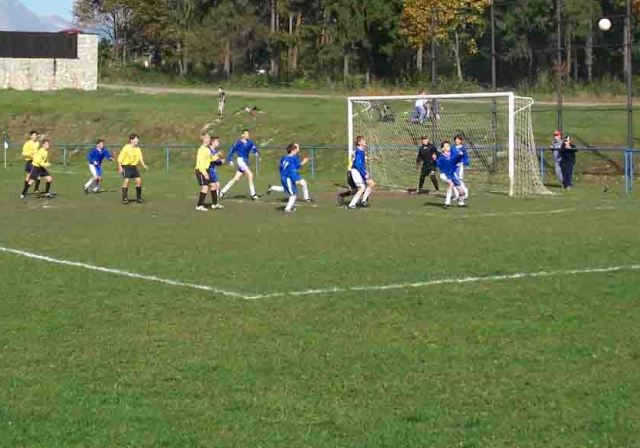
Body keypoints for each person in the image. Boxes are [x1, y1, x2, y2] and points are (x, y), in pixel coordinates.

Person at [220, 129, 260, 200]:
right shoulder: (239, 143)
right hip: (240, 160)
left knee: (236, 178)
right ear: (243, 135)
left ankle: (222, 192)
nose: (248, 135)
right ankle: (253, 194)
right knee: (250, 174)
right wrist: (230, 160)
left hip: (245, 161)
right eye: (246, 134)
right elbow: (232, 151)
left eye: (248, 134)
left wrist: (256, 152)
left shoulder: (250, 142)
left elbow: (254, 148)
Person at [117, 133, 148, 204]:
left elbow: (140, 158)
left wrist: (144, 165)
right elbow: (120, 158)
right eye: (136, 139)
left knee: (139, 181)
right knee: (126, 182)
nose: (138, 140)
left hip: (134, 167)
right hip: (126, 166)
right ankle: (124, 198)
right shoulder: (126, 147)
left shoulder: (138, 149)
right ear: (132, 140)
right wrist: (120, 167)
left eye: (138, 139)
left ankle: (139, 198)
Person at [347, 135, 375, 209]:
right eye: (363, 140)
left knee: (371, 184)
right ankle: (352, 204)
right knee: (362, 187)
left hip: (359, 170)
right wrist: (364, 173)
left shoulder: (361, 151)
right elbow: (358, 165)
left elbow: (362, 161)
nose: (365, 141)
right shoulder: (359, 151)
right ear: (359, 143)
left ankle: (363, 200)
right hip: (356, 171)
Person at [436, 141, 466, 209]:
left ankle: (461, 202)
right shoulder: (441, 157)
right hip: (444, 174)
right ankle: (447, 203)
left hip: (453, 174)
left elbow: (457, 159)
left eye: (448, 145)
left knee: (462, 192)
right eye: (446, 146)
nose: (448, 147)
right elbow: (438, 165)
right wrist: (435, 160)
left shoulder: (452, 154)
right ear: (443, 149)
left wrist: (460, 155)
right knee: (451, 184)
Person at [194, 133, 213, 211]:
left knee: (208, 186)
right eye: (208, 138)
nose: (209, 140)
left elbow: (210, 159)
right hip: (201, 170)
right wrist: (204, 173)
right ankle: (199, 205)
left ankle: (201, 204)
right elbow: (200, 162)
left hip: (206, 169)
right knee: (205, 187)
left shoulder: (208, 149)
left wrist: (217, 158)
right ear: (204, 139)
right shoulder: (201, 149)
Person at [207, 135, 224, 209]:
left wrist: (221, 162)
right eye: (217, 141)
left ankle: (215, 203)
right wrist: (218, 157)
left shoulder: (215, 151)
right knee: (214, 185)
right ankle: (214, 203)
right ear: (212, 142)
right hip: (209, 170)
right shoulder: (208, 150)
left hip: (213, 170)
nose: (218, 143)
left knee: (216, 185)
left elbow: (215, 162)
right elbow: (210, 160)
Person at [21, 130, 40, 194]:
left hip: (36, 161)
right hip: (29, 161)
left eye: (36, 135)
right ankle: (25, 190)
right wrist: (32, 154)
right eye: (34, 135)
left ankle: (36, 189)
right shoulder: (27, 143)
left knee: (38, 176)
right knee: (28, 176)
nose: (36, 136)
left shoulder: (37, 143)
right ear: (31, 136)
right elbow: (24, 153)